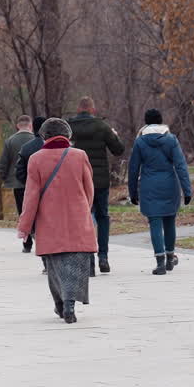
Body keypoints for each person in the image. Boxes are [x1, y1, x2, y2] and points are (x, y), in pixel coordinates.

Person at [17, 118, 97, 324]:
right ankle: (70, 302)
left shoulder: (35, 159)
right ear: (68, 135)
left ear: (44, 136)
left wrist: (25, 226)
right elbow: (89, 190)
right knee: (76, 262)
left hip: (49, 222)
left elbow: (31, 196)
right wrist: (84, 210)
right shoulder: (80, 156)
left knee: (55, 266)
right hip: (77, 218)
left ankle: (61, 304)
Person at [127, 108, 193, 275]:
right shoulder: (171, 140)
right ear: (161, 120)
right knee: (170, 221)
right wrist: (187, 190)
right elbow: (180, 166)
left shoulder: (140, 142)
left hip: (149, 186)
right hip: (170, 185)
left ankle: (160, 262)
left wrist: (133, 192)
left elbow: (133, 168)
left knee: (155, 223)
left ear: (146, 122)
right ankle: (170, 257)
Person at [69, 97, 125, 273]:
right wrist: (114, 135)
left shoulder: (70, 127)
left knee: (83, 219)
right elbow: (118, 149)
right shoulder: (102, 127)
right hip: (100, 181)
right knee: (102, 217)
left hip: (78, 181)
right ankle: (103, 256)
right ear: (92, 109)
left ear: (79, 109)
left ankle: (89, 262)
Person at [14, 115, 47, 253]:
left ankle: (32, 241)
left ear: (33, 128)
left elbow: (19, 172)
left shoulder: (26, 148)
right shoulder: (56, 148)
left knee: (30, 216)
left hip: (29, 190)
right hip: (50, 191)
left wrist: (29, 183)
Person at [0, 114, 36, 224]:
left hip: (16, 182)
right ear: (30, 125)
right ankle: (34, 230)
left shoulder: (10, 141)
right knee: (34, 209)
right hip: (34, 182)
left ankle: (25, 234)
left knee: (21, 209)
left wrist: (4, 177)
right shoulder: (36, 140)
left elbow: (4, 162)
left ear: (17, 126)